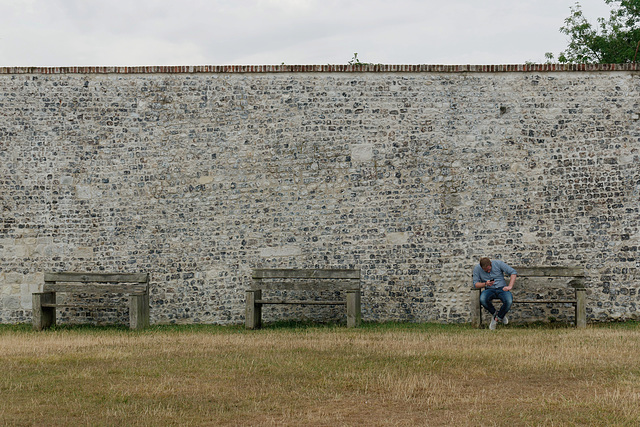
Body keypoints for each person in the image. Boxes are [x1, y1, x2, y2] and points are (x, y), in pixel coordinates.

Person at [473, 258, 517, 330]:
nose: (488, 271)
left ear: (491, 264)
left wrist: (510, 286)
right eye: (486, 270)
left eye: (489, 269)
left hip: (501, 288)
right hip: (489, 289)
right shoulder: (477, 269)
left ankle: (498, 318)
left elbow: (513, 272)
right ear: (481, 267)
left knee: (508, 300)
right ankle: (496, 314)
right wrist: (485, 284)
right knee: (483, 299)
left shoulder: (498, 263)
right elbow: (476, 284)